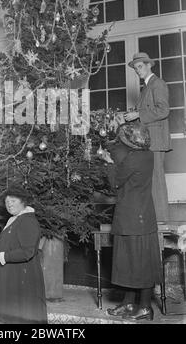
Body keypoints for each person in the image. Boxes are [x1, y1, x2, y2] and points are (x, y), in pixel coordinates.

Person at [101, 122, 162, 321]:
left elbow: (115, 182)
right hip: (140, 217)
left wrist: (108, 161)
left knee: (139, 265)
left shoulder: (134, 158)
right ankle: (128, 303)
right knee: (131, 263)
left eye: (122, 138)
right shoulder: (147, 154)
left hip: (133, 218)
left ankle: (145, 308)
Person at [0, 184, 47, 324]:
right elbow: (14, 244)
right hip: (12, 273)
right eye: (7, 202)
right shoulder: (15, 219)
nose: (9, 204)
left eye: (13, 201)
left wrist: (0, 257)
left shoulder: (27, 220)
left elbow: (27, 252)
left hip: (21, 275)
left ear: (23, 202)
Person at [124, 52, 171, 223]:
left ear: (149, 65)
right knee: (151, 182)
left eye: (140, 67)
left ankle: (162, 223)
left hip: (156, 141)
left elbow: (163, 110)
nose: (137, 71)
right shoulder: (147, 87)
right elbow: (149, 111)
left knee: (157, 183)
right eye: (136, 68)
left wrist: (138, 113)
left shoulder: (157, 84)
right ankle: (155, 222)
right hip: (149, 141)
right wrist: (134, 115)